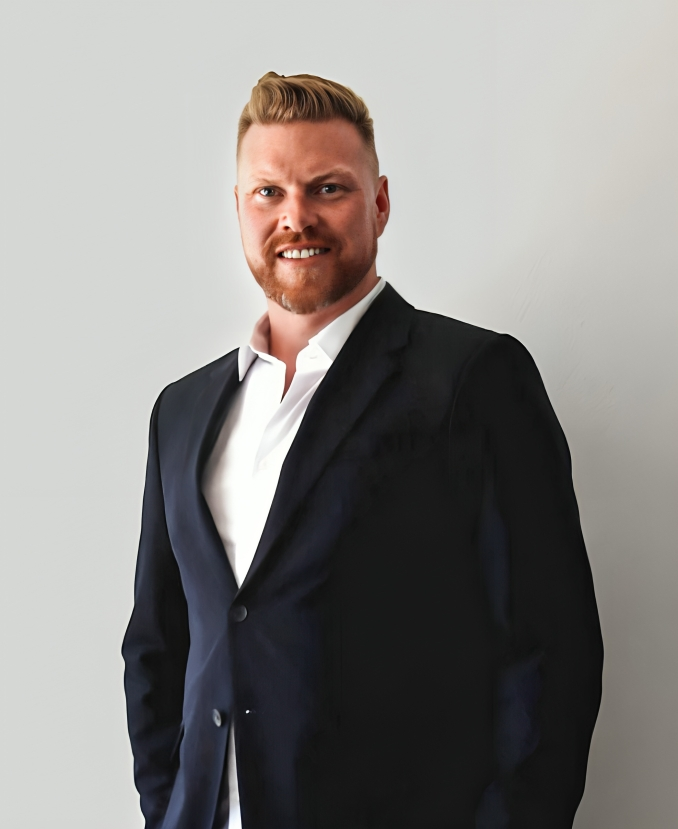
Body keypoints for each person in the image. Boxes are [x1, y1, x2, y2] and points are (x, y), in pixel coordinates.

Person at [122, 72, 603, 829]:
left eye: (328, 188)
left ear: (379, 202)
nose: (296, 216)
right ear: (239, 209)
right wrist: (167, 808)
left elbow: (551, 652)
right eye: (268, 193)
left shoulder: (472, 380)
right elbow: (158, 643)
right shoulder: (179, 412)